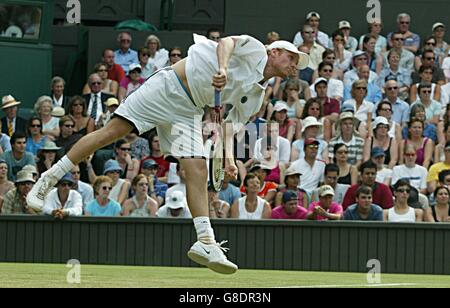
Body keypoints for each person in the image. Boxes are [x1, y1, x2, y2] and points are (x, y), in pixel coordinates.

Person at [28, 34, 309, 275]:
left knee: (196, 168)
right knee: (109, 134)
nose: (294, 66)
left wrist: (229, 158)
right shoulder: (256, 48)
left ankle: (206, 242)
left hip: (189, 112)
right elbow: (226, 42)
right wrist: (222, 68)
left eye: (298, 63)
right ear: (274, 52)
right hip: (166, 88)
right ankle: (46, 181)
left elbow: (225, 127)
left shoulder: (257, 96)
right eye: (292, 58)